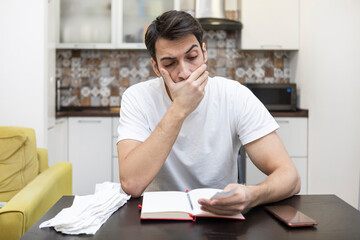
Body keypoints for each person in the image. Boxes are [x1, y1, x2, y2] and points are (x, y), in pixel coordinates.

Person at [117, 10, 300, 216]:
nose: (185, 72)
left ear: (204, 53)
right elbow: (131, 184)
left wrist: (252, 195)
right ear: (156, 68)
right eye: (169, 64)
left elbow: (290, 177)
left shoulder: (234, 95)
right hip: (159, 219)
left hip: (219, 217)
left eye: (192, 57)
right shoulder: (137, 98)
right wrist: (179, 109)